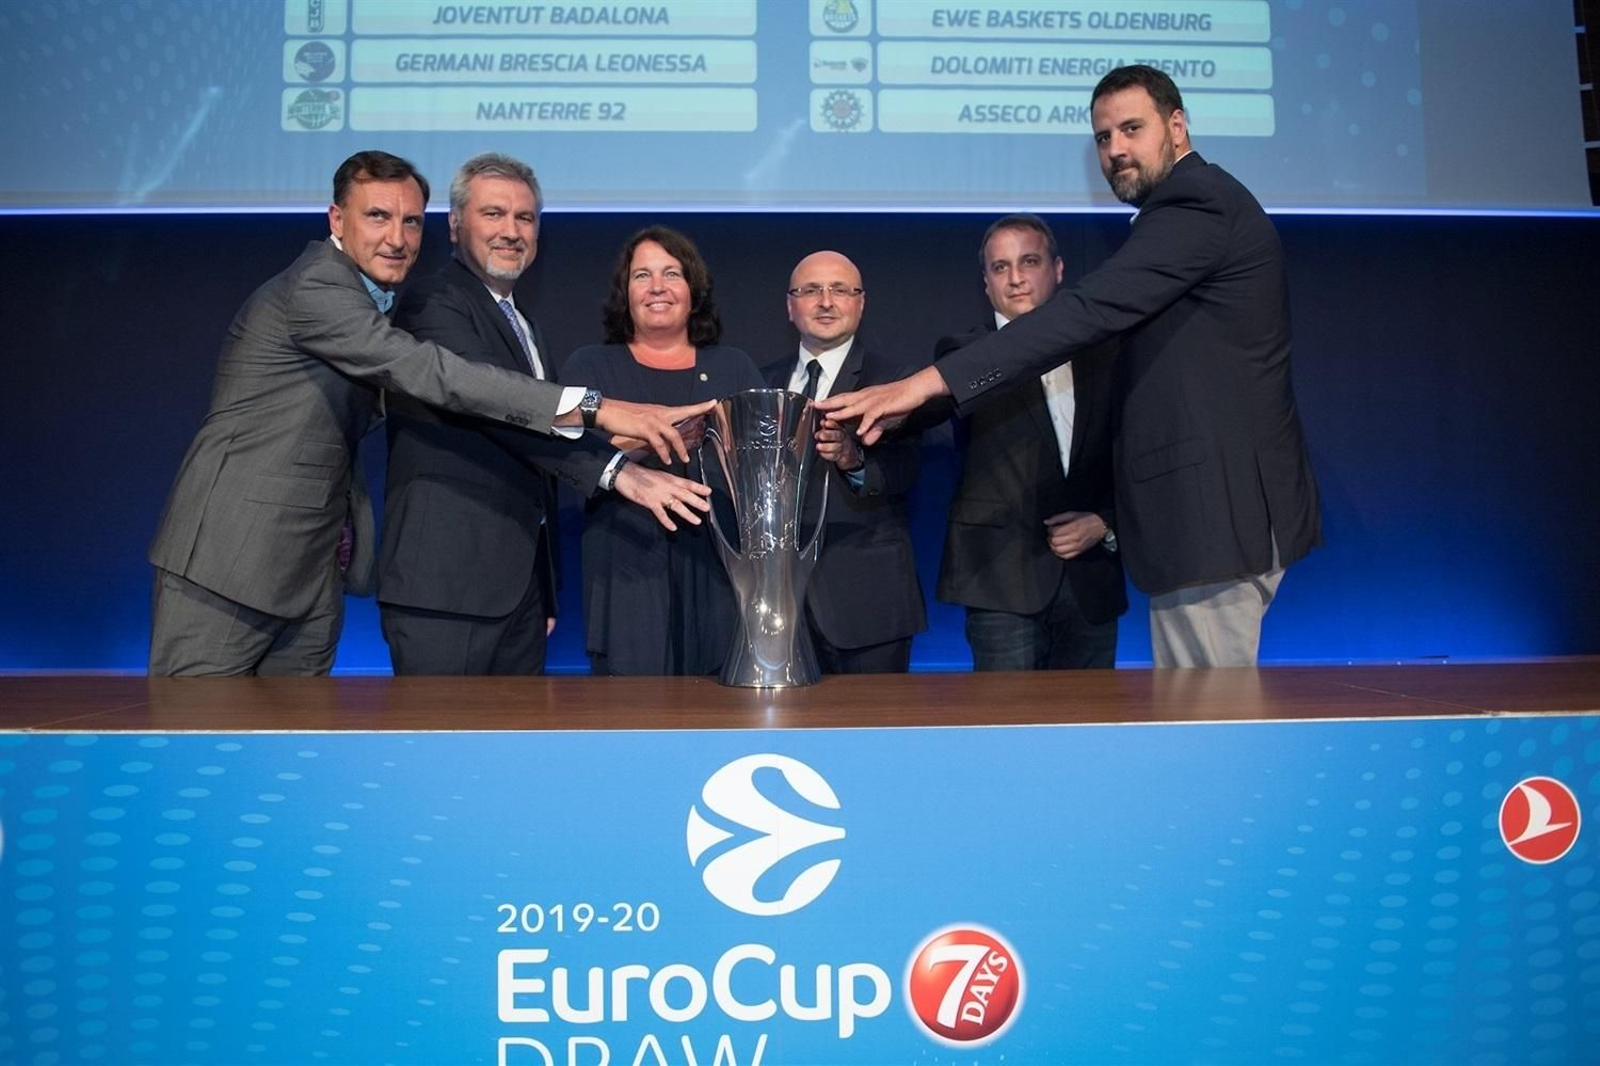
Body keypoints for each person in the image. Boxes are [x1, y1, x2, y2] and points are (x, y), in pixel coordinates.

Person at [820, 65, 1321, 668]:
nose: (1116, 151)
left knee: (1209, 718)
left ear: (1179, 125)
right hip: (1198, 522)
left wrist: (921, 383)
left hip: (1215, 515)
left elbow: (1086, 311)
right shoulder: (1188, 211)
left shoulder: (1197, 204)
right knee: (1199, 708)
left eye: (1131, 129)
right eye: (1104, 138)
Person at [148, 151, 713, 677]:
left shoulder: (408, 306)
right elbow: (444, 378)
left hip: (313, 570)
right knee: (194, 740)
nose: (397, 238)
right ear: (337, 220)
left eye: (410, 221)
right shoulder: (323, 286)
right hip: (230, 557)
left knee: (293, 754)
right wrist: (603, 409)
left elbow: (498, 422)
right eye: (377, 217)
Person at [379, 153, 613, 675]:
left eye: (525, 218)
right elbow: (499, 410)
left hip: (518, 597)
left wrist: (543, 587)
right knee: (439, 751)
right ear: (455, 225)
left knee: (511, 754)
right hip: (444, 594)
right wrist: (615, 452)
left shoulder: (525, 325)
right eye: (494, 214)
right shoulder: (430, 305)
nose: (511, 231)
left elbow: (537, 457)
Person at [565, 226, 764, 676]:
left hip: (720, 570)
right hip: (626, 566)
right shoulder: (589, 366)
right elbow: (569, 465)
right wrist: (652, 436)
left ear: (694, 291)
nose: (657, 287)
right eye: (642, 276)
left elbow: (761, 475)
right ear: (625, 293)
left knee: (722, 720)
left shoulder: (734, 366)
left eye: (671, 273)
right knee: (632, 717)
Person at [935, 214, 1126, 670]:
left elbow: (1135, 454)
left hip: (1090, 578)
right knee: (1006, 733)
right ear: (986, 284)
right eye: (1000, 268)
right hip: (999, 581)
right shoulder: (962, 355)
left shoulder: (1107, 353)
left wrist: (1105, 522)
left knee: (1089, 731)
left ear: (1058, 270)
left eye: (1029, 261)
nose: (1016, 278)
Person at [768, 251, 925, 674]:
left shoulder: (900, 381)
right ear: (790, 305)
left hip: (868, 605)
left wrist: (852, 459)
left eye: (840, 289)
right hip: (776, 611)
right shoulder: (759, 383)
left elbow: (908, 469)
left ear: (861, 302)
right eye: (811, 290)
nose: (825, 301)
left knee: (874, 737)